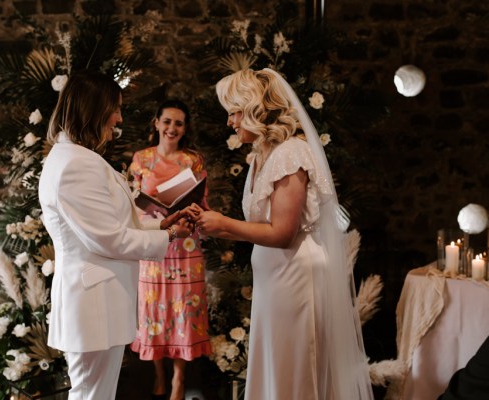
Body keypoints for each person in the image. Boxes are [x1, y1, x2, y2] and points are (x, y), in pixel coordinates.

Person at [191, 69, 373, 399]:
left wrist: (224, 224)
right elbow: (261, 228)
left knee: (295, 370)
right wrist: (212, 224)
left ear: (255, 108)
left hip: (295, 277)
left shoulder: (291, 153)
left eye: (234, 112)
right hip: (274, 279)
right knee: (278, 366)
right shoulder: (262, 155)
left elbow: (284, 232)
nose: (230, 122)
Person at [38, 71, 193, 400]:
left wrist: (162, 225)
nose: (119, 118)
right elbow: (108, 239)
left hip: (95, 298)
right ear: (93, 109)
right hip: (93, 299)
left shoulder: (73, 158)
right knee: (92, 395)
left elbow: (109, 224)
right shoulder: (75, 165)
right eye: (116, 108)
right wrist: (167, 239)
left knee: (95, 393)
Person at [129, 100, 211, 400]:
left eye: (178, 123)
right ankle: (158, 375)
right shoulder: (141, 159)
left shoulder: (194, 161)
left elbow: (203, 203)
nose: (172, 128)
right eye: (167, 121)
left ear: (185, 128)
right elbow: (130, 204)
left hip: (186, 247)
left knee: (183, 311)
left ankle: (178, 379)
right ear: (156, 123)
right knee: (154, 312)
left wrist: (189, 213)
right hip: (152, 246)